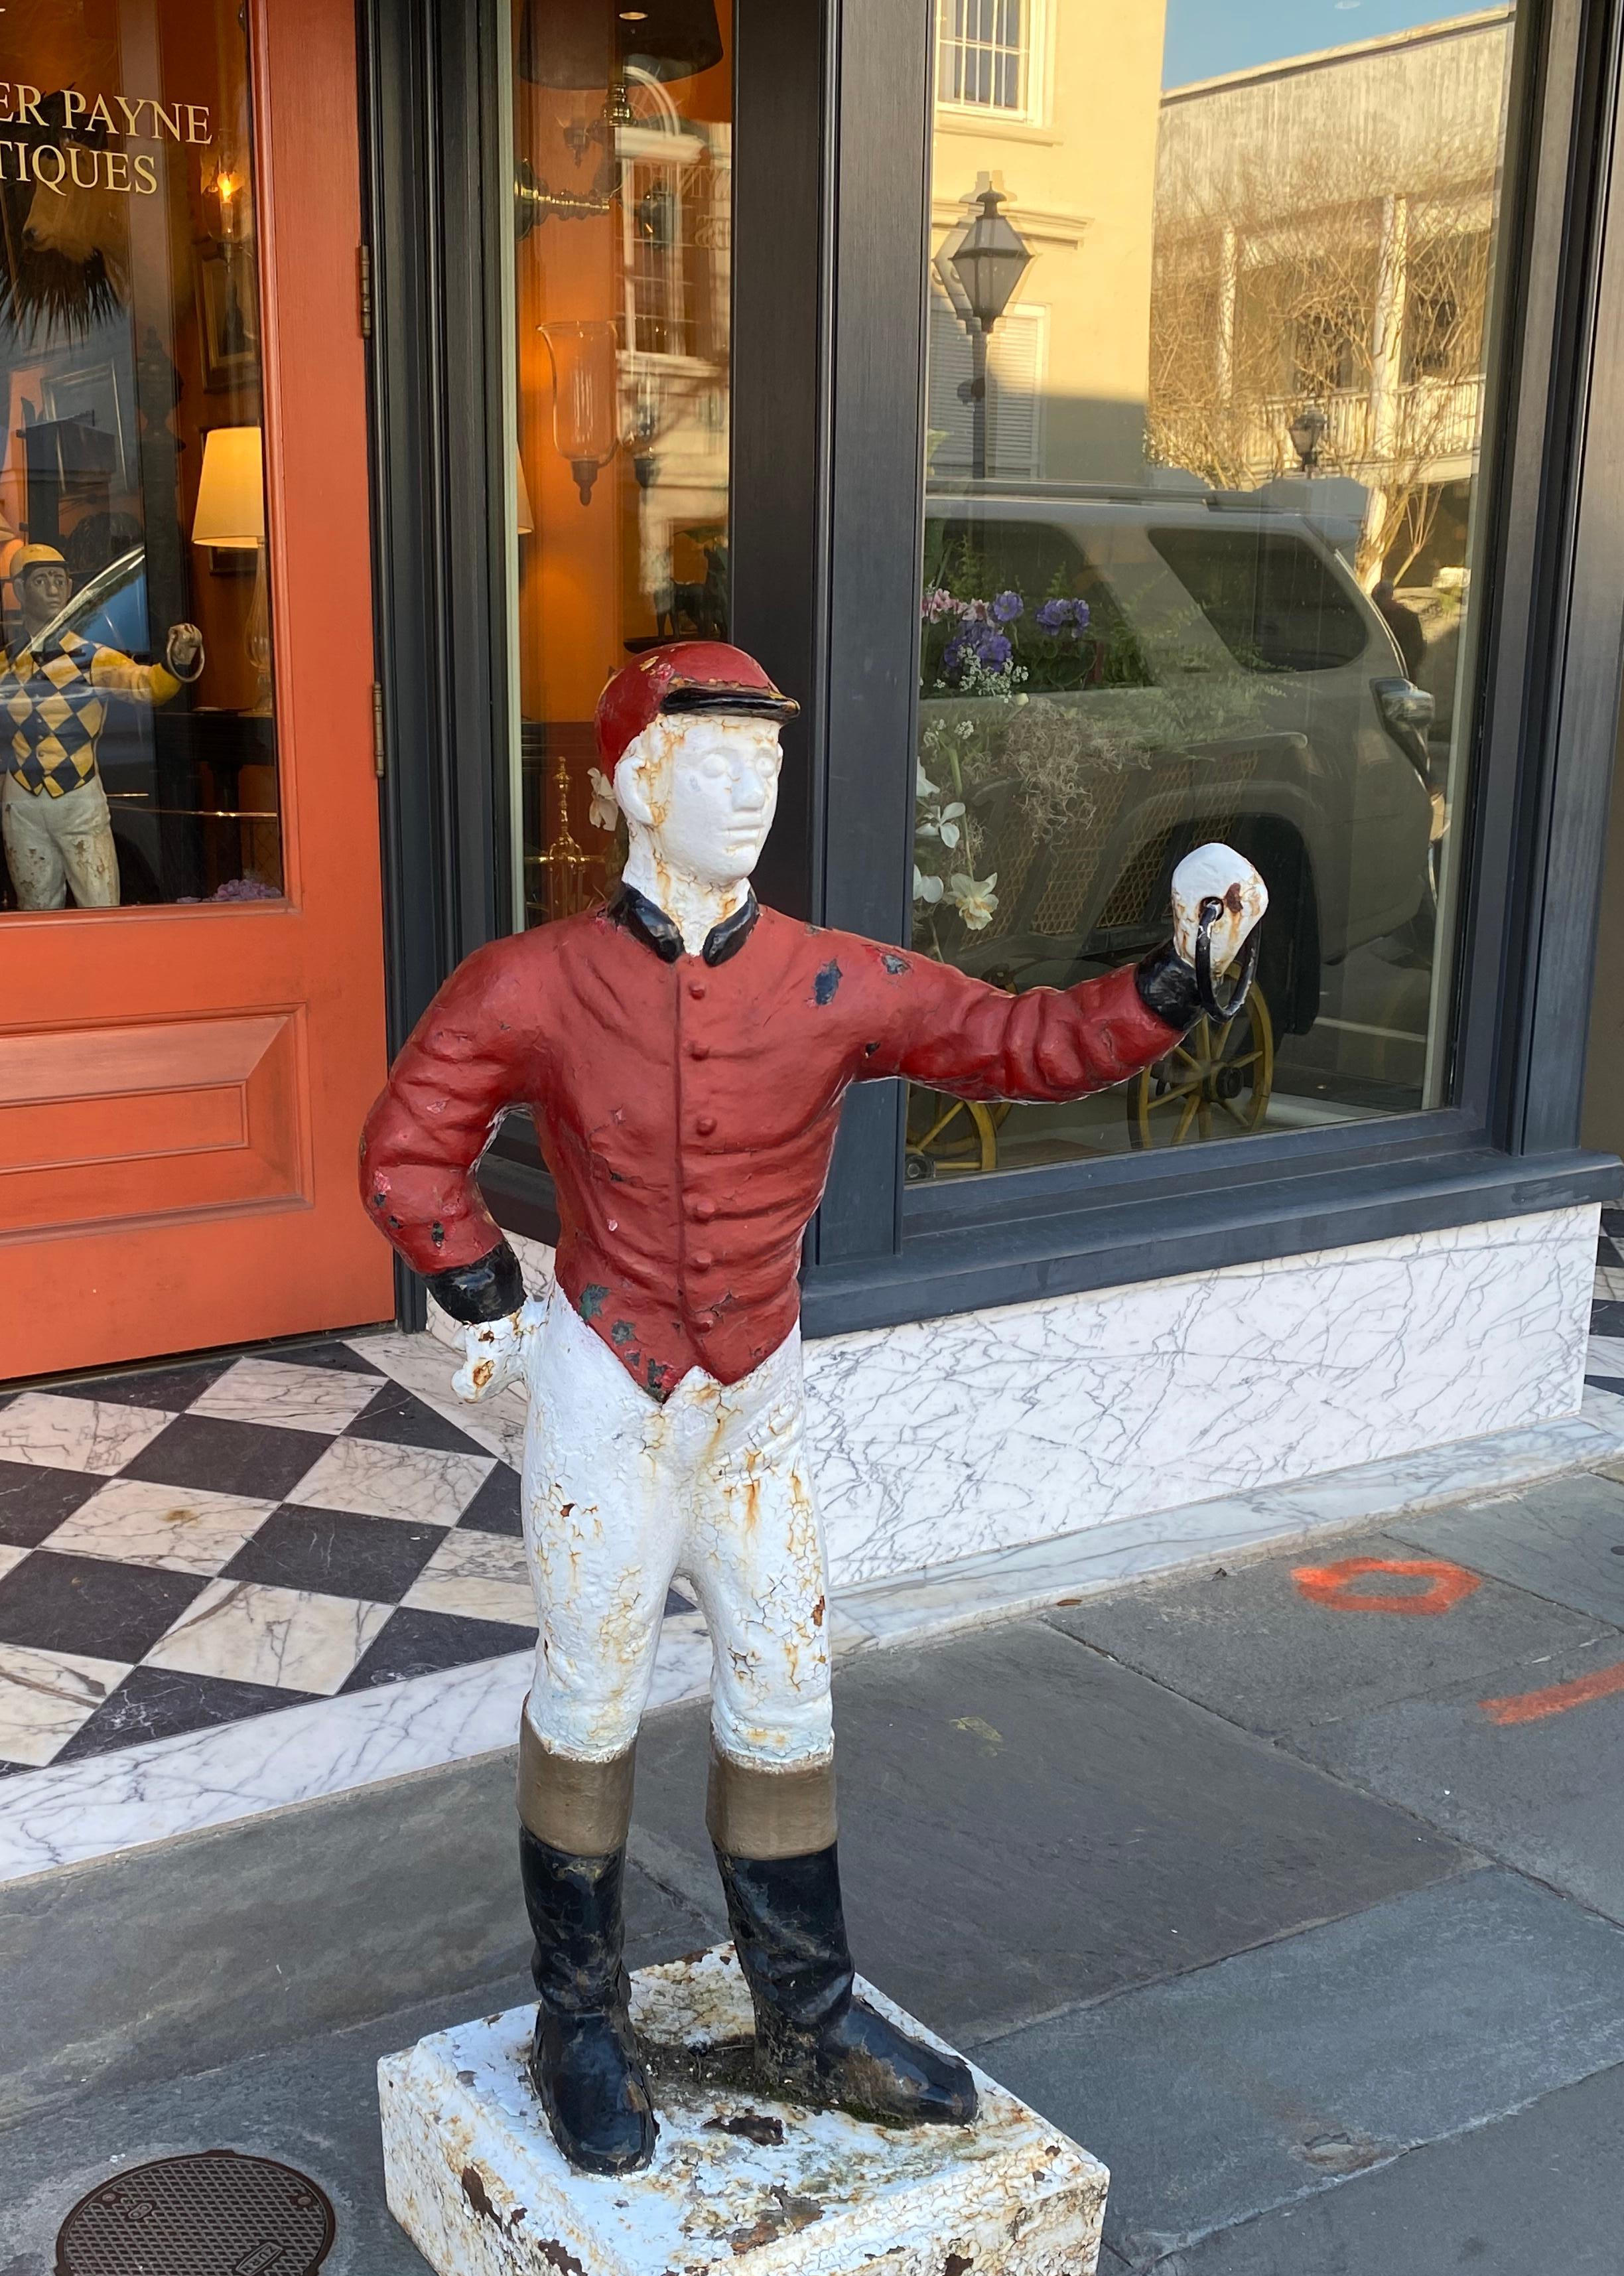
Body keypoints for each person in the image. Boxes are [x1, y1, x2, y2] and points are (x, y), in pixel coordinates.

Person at [359, 639, 1266, 2175]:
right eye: (720, 762)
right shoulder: (533, 983)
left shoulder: (833, 979)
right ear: (634, 784)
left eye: (770, 764)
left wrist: (1177, 978)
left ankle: (808, 2007)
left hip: (756, 1395)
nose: (753, 792)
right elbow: (407, 1147)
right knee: (586, 1693)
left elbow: (1020, 1041)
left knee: (786, 1689)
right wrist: (480, 1289)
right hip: (610, 1386)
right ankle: (577, 2015)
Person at [0, 543, 202, 910]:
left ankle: (101, 969)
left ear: (69, 588)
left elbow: (147, 687)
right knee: (34, 907)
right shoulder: (0, 664)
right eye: (41, 580)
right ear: (20, 590)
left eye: (59, 580)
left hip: (79, 795)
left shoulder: (93, 658)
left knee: (100, 903)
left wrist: (177, 662)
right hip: (23, 801)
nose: (53, 589)